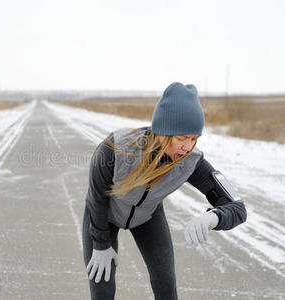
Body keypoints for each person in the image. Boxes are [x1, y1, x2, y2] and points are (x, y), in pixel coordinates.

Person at [82, 82, 247, 300]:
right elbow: (96, 198)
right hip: (103, 216)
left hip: (147, 218)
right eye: (181, 138)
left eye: (193, 139)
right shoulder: (115, 148)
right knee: (102, 287)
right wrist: (101, 244)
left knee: (166, 286)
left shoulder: (192, 161)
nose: (188, 147)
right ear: (162, 132)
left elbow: (237, 207)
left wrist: (214, 217)